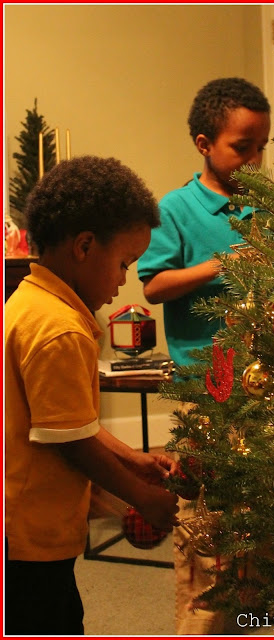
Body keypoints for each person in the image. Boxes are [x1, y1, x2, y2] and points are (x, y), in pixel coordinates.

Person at [4, 156, 180, 636]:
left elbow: (69, 421)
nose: (124, 279)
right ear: (84, 246)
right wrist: (142, 497)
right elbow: (72, 443)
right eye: (123, 263)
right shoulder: (60, 330)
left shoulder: (29, 302)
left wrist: (130, 457)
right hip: (29, 535)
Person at [137, 77, 271, 634]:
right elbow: (153, 285)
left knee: (264, 515)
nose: (254, 159)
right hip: (205, 389)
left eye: (261, 146)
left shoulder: (265, 206)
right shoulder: (175, 208)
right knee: (207, 517)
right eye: (242, 147)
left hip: (267, 382)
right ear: (204, 143)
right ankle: (202, 624)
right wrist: (223, 265)